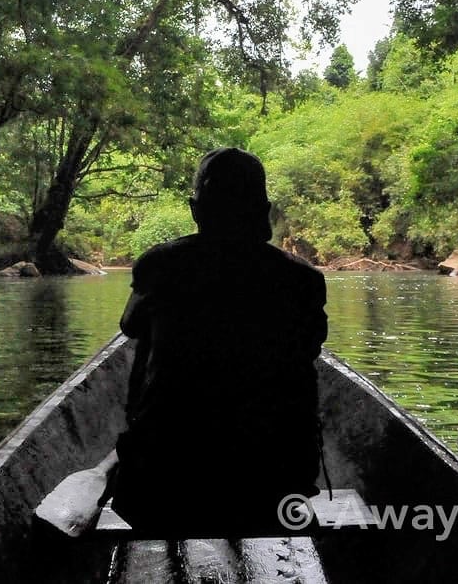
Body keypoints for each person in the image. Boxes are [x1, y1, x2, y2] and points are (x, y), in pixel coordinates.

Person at [110, 146, 327, 535]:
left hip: (164, 483)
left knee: (147, 342)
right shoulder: (303, 281)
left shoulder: (160, 266)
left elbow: (129, 326)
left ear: (197, 210)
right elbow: (310, 346)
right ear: (264, 211)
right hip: (276, 482)